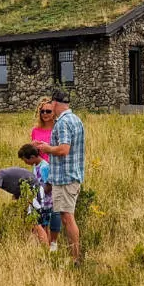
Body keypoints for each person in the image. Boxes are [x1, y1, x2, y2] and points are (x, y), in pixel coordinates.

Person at [31, 88, 85, 262]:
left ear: (55, 103)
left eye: (51, 105)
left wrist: (46, 148)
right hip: (73, 174)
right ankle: (73, 256)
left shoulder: (62, 123)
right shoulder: (76, 119)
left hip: (65, 177)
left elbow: (63, 149)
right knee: (65, 216)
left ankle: (75, 258)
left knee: (67, 217)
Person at [18, 142, 60, 251]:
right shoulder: (36, 166)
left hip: (46, 202)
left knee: (44, 226)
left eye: (25, 160)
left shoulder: (44, 167)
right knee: (41, 225)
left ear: (32, 157)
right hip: (39, 201)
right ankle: (44, 247)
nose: (25, 162)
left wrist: (37, 192)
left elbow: (49, 185)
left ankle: (47, 248)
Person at [30, 97, 55, 162]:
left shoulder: (58, 129)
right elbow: (33, 154)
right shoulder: (35, 130)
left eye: (48, 111)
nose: (45, 113)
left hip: (55, 167)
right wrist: (31, 146)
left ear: (54, 112)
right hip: (40, 168)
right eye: (42, 111)